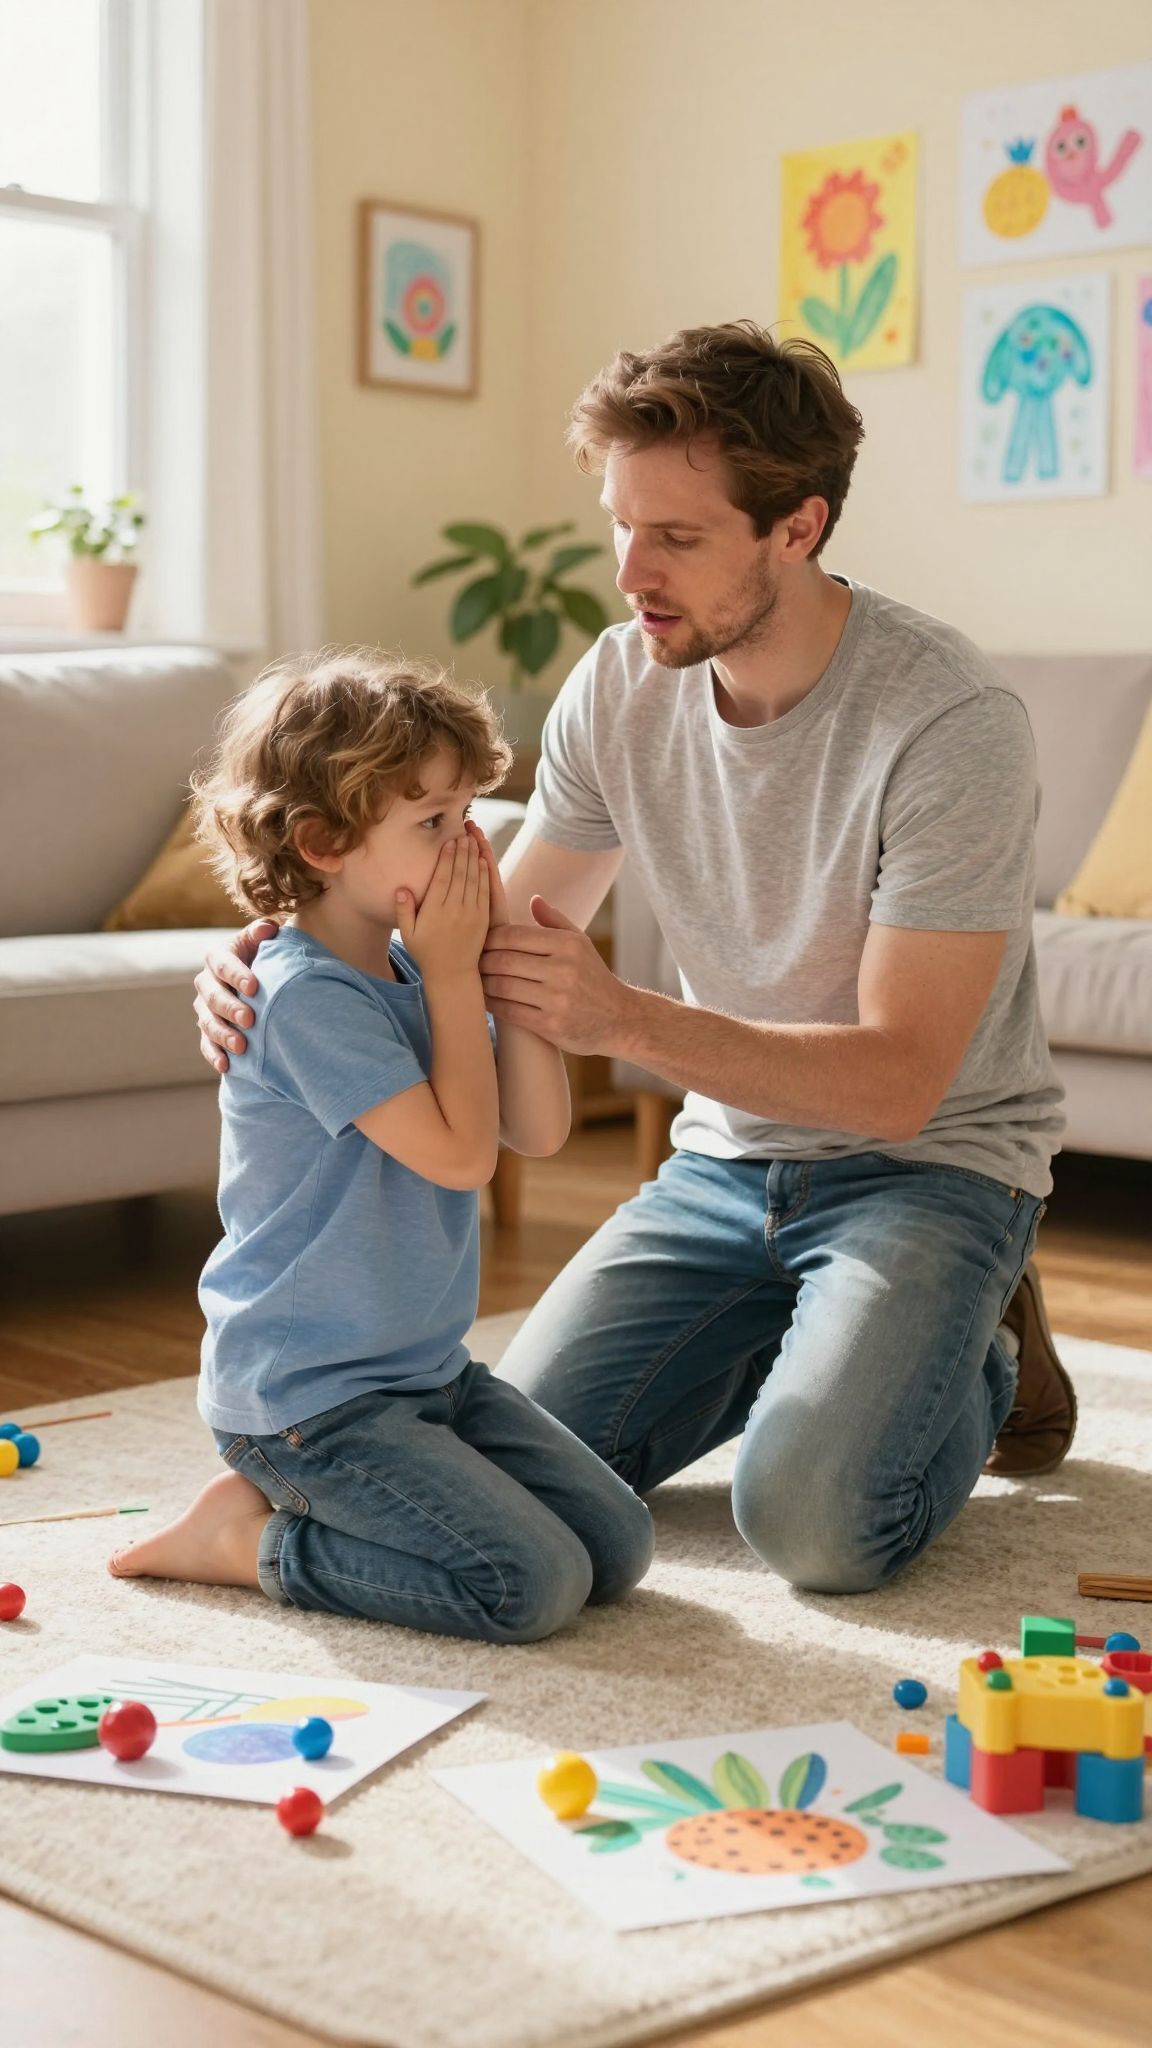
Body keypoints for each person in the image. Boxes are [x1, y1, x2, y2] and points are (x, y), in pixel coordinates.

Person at [193, 322, 1076, 1597]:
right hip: (726, 1169)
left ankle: (980, 1346)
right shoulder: (622, 682)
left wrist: (627, 1019)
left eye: (677, 536)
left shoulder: (947, 722)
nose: (630, 571)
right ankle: (831, 1336)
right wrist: (280, 947)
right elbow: (493, 917)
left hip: (926, 1167)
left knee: (816, 1523)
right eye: (621, 523)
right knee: (526, 1464)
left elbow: (902, 1083)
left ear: (798, 526)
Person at [110, 650, 653, 1639]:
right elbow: (460, 1157)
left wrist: (499, 969)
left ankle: (305, 1508)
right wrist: (455, 977)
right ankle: (246, 1540)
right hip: (308, 1401)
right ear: (322, 840)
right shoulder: (302, 994)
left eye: (468, 814)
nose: (470, 841)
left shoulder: (413, 967)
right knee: (526, 1586)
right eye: (434, 822)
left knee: (617, 1547)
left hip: (428, 1376)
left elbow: (534, 1127)